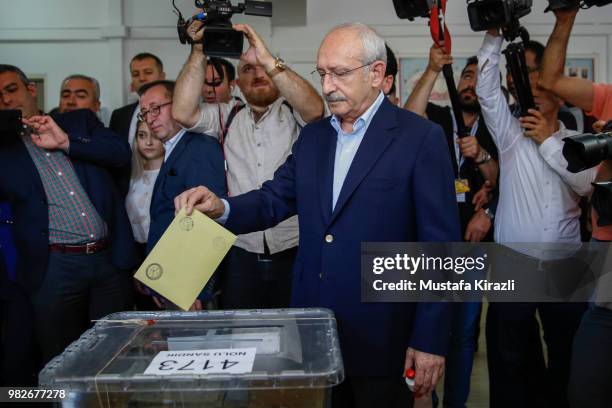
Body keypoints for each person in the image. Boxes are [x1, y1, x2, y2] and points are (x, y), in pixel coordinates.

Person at [174, 22, 460, 407]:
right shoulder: (314, 137)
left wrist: (429, 340)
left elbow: (440, 251)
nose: (327, 87)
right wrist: (221, 207)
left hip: (385, 332)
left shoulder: (419, 138)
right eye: (322, 74)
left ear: (377, 75)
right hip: (316, 330)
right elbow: (274, 199)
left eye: (339, 73)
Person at [476, 29, 597, 408]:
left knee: (565, 354)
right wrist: (493, 36)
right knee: (508, 358)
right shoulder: (509, 133)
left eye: (538, 79)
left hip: (567, 265)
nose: (530, 86)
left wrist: (548, 139)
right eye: (524, 78)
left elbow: (585, 184)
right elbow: (486, 89)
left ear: (557, 87)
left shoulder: (580, 140)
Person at [172, 22, 324, 310]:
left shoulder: (294, 113)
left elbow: (315, 110)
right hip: (241, 251)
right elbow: (181, 112)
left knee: (297, 333)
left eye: (263, 68)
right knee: (242, 332)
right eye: (247, 70)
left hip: (294, 248)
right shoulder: (227, 115)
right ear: (236, 84)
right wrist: (198, 49)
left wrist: (269, 61)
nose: (257, 75)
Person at [0, 64, 138, 365]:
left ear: (30, 89)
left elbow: (120, 154)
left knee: (117, 353)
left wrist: (65, 141)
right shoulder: (4, 149)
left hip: (109, 259)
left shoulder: (78, 121)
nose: (6, 100)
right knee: (61, 358)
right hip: (54, 268)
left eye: (12, 90)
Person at [405, 45, 499, 408]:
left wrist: (482, 156)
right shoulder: (441, 118)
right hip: (431, 244)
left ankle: (455, 403)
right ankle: (421, 398)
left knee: (463, 332)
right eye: (466, 76)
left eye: (477, 78)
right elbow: (409, 119)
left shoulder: (496, 127)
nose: (470, 84)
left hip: (472, 248)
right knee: (425, 328)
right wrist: (431, 70)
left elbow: (502, 178)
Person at [538, 6, 612, 407]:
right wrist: (564, 17)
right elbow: (551, 79)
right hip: (606, 266)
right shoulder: (610, 100)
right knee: (584, 389)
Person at [140, 79, 226, 310]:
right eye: (145, 113)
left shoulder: (199, 147)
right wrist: (159, 281)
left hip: (189, 289)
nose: (150, 118)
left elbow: (206, 221)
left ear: (178, 104)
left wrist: (193, 288)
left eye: (156, 108)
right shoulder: (172, 148)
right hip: (171, 280)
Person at [109, 53, 166, 197]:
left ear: (162, 76)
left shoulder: (173, 112)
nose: (142, 78)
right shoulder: (119, 115)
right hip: (126, 189)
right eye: (136, 74)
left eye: (148, 72)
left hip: (164, 187)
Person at [125, 120, 165, 310]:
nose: (148, 142)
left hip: (166, 254)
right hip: (138, 254)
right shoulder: (131, 176)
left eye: (155, 136)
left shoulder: (172, 173)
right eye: (142, 136)